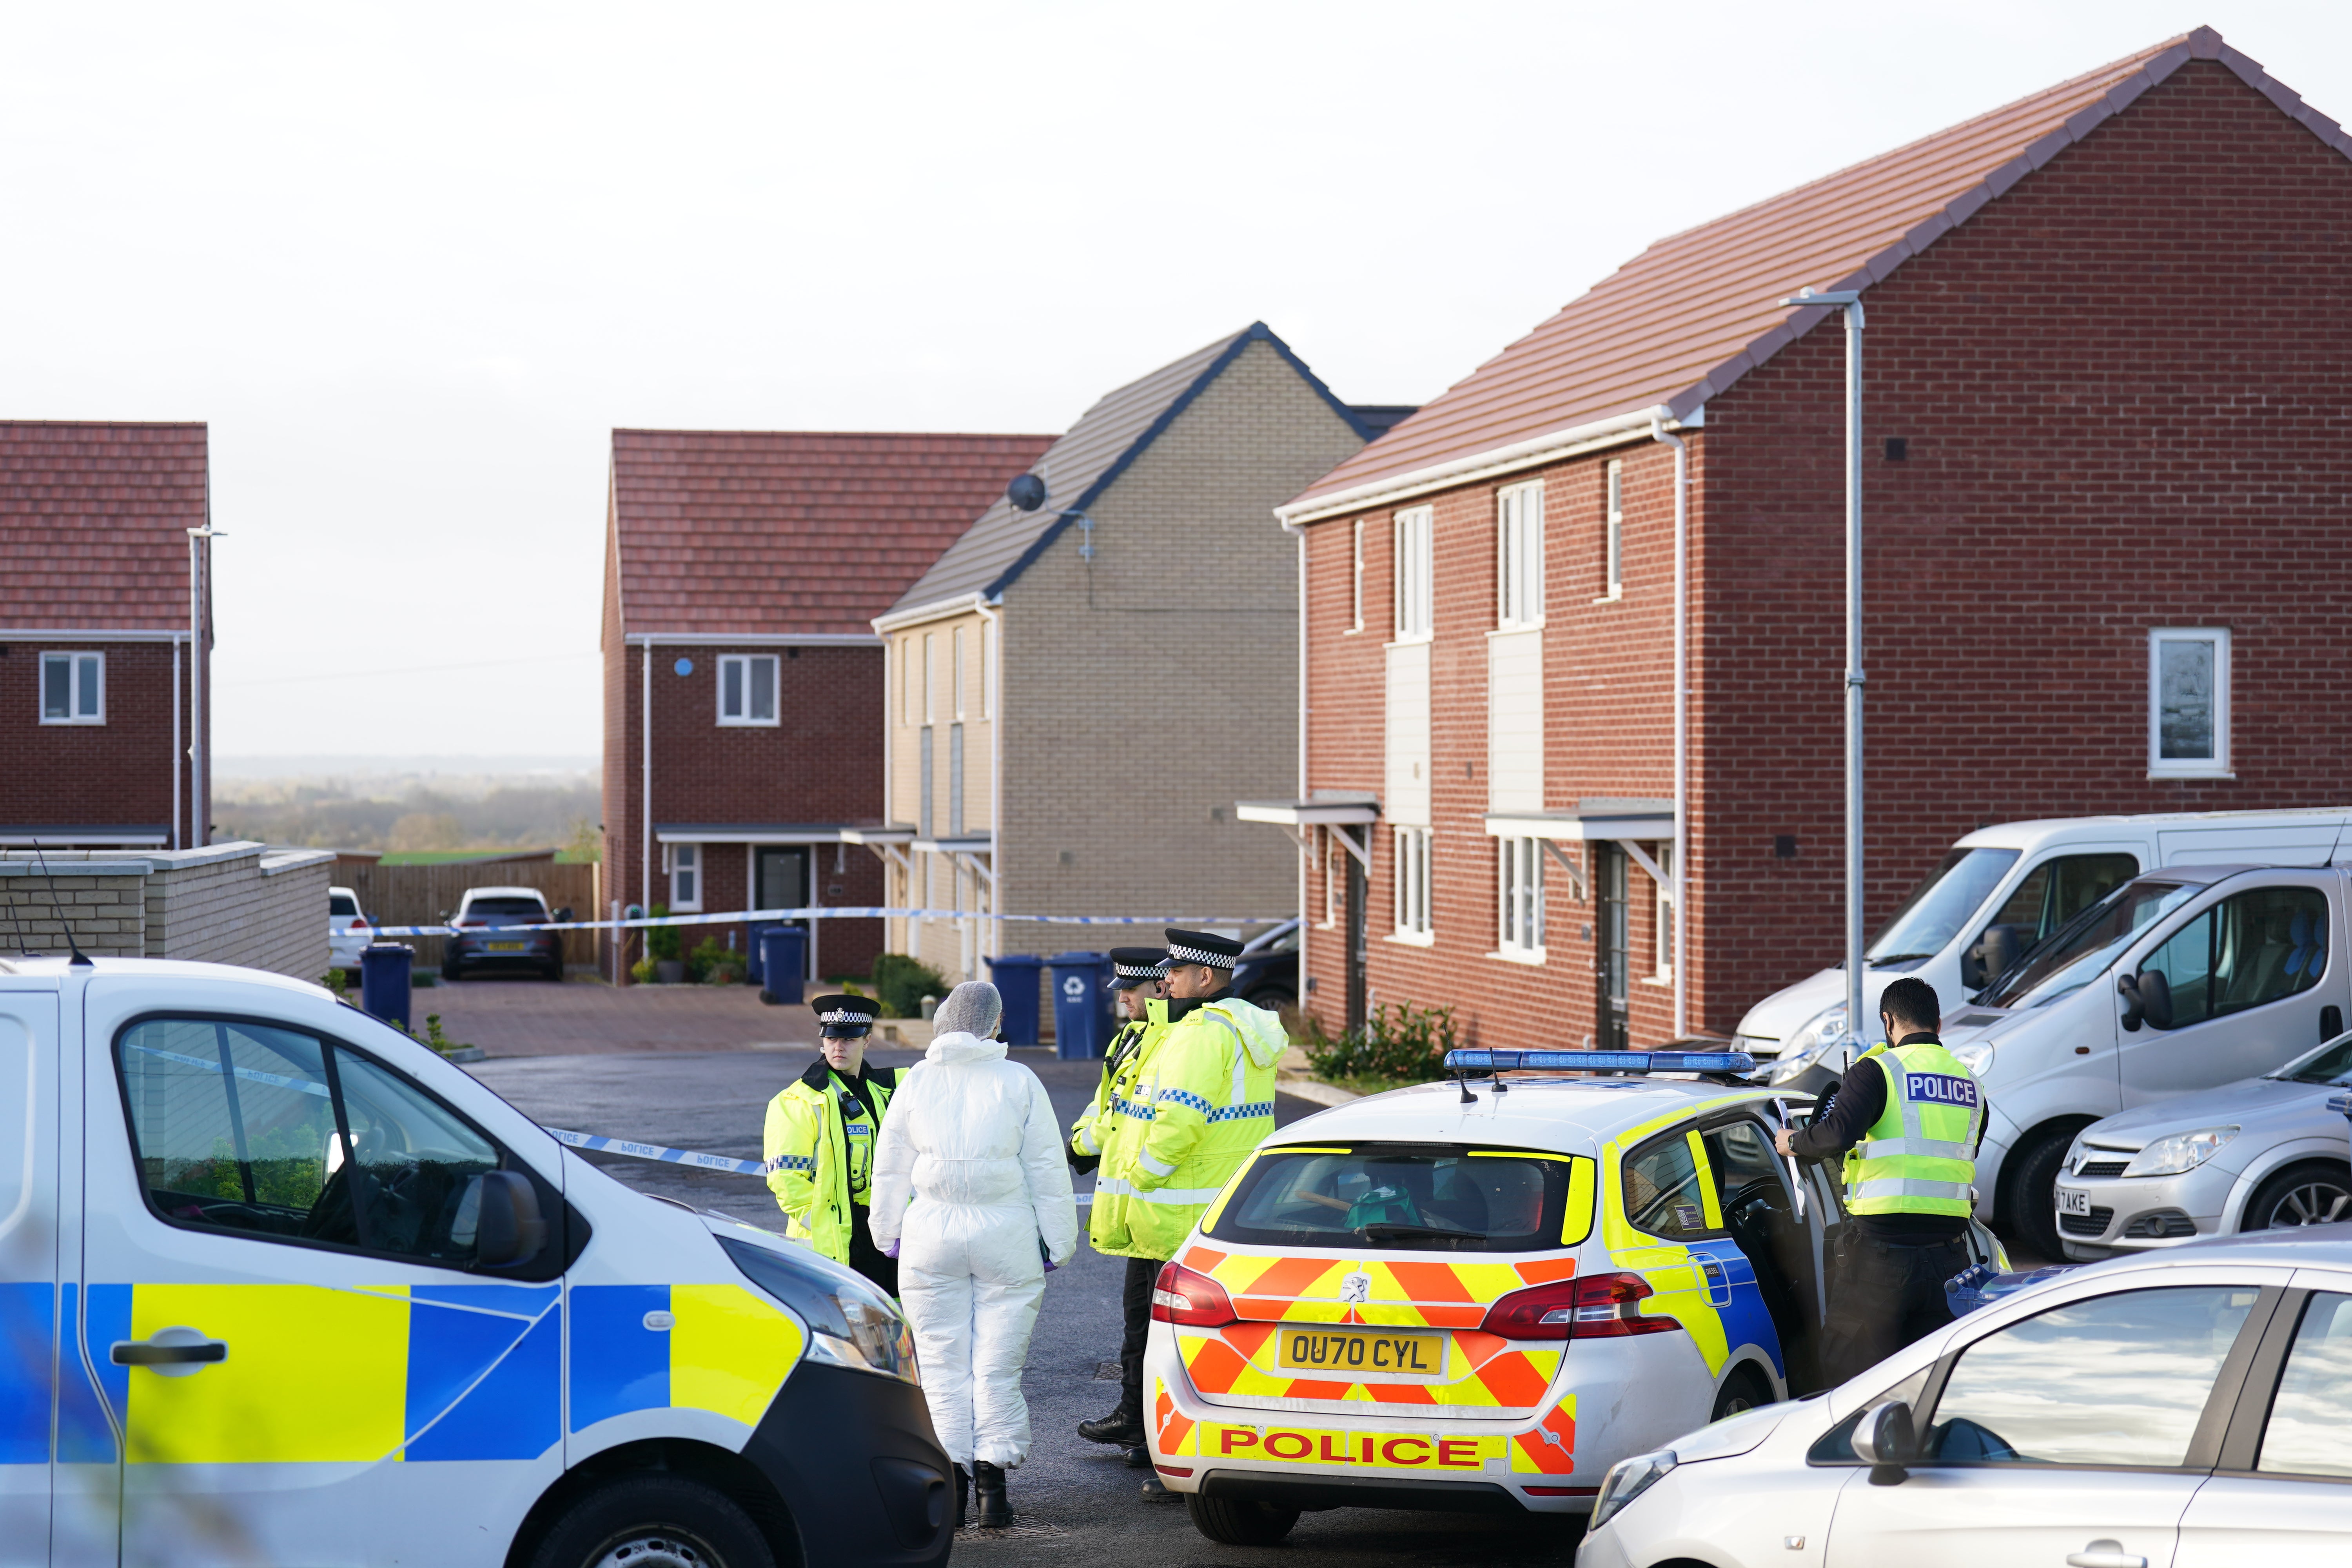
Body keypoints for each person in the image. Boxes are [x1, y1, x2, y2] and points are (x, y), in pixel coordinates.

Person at [871, 981, 1078, 1530]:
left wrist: (885, 1231)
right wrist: (1059, 1241)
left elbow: (890, 1164)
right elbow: (1048, 1172)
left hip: (930, 1234)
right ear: (995, 1021)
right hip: (1005, 1235)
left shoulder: (916, 1082)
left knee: (938, 1362)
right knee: (997, 1363)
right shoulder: (1019, 1081)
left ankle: (952, 1490)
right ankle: (995, 1491)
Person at [1089, 929, 1287, 1493]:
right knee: (1177, 1336)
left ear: (1204, 978)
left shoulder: (1201, 1034)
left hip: (1175, 1209)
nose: (1166, 980)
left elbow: (1177, 1122)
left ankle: (1166, 1452)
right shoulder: (1243, 1026)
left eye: (1176, 972)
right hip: (1216, 1207)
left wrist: (1139, 1178)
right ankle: (1153, 1437)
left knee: (1169, 1340)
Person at [1775, 975, 1985, 1383]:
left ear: (1889, 1022)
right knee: (1931, 1379)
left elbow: (1836, 1133)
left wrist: (1792, 1142)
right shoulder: (1970, 1083)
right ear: (1938, 1026)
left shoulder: (1878, 1071)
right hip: (1950, 1259)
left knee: (1851, 1375)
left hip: (1883, 1259)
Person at [1069, 948, 1171, 1471]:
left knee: (1157, 1326)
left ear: (1159, 987)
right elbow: (1107, 1107)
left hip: (1165, 1212)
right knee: (1137, 1319)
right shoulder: (1128, 1039)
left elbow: (1157, 1121)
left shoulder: (1167, 1042)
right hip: (1140, 1211)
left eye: (1131, 988)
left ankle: (1156, 1434)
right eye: (1120, 987)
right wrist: (1079, 1146)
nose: (1122, 996)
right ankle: (1134, 1417)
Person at [763, 993, 900, 1296]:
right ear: (822, 1041)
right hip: (830, 1241)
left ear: (867, 1040)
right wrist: (829, 1225)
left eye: (849, 1039)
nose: (839, 1047)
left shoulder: (888, 1089)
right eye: (832, 1038)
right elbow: (785, 1181)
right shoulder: (796, 1102)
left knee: (888, 1326)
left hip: (880, 1233)